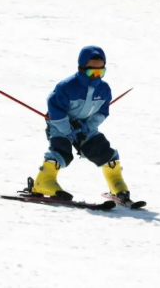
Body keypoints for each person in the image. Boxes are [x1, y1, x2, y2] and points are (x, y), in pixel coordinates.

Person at [29, 46, 131, 202]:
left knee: (102, 149)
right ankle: (43, 182)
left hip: (85, 126)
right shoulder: (67, 87)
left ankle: (116, 183)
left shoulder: (104, 90)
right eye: (92, 72)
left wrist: (88, 126)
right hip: (59, 125)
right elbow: (54, 106)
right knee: (61, 151)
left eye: (100, 72)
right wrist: (67, 128)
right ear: (81, 68)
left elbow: (102, 111)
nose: (96, 76)